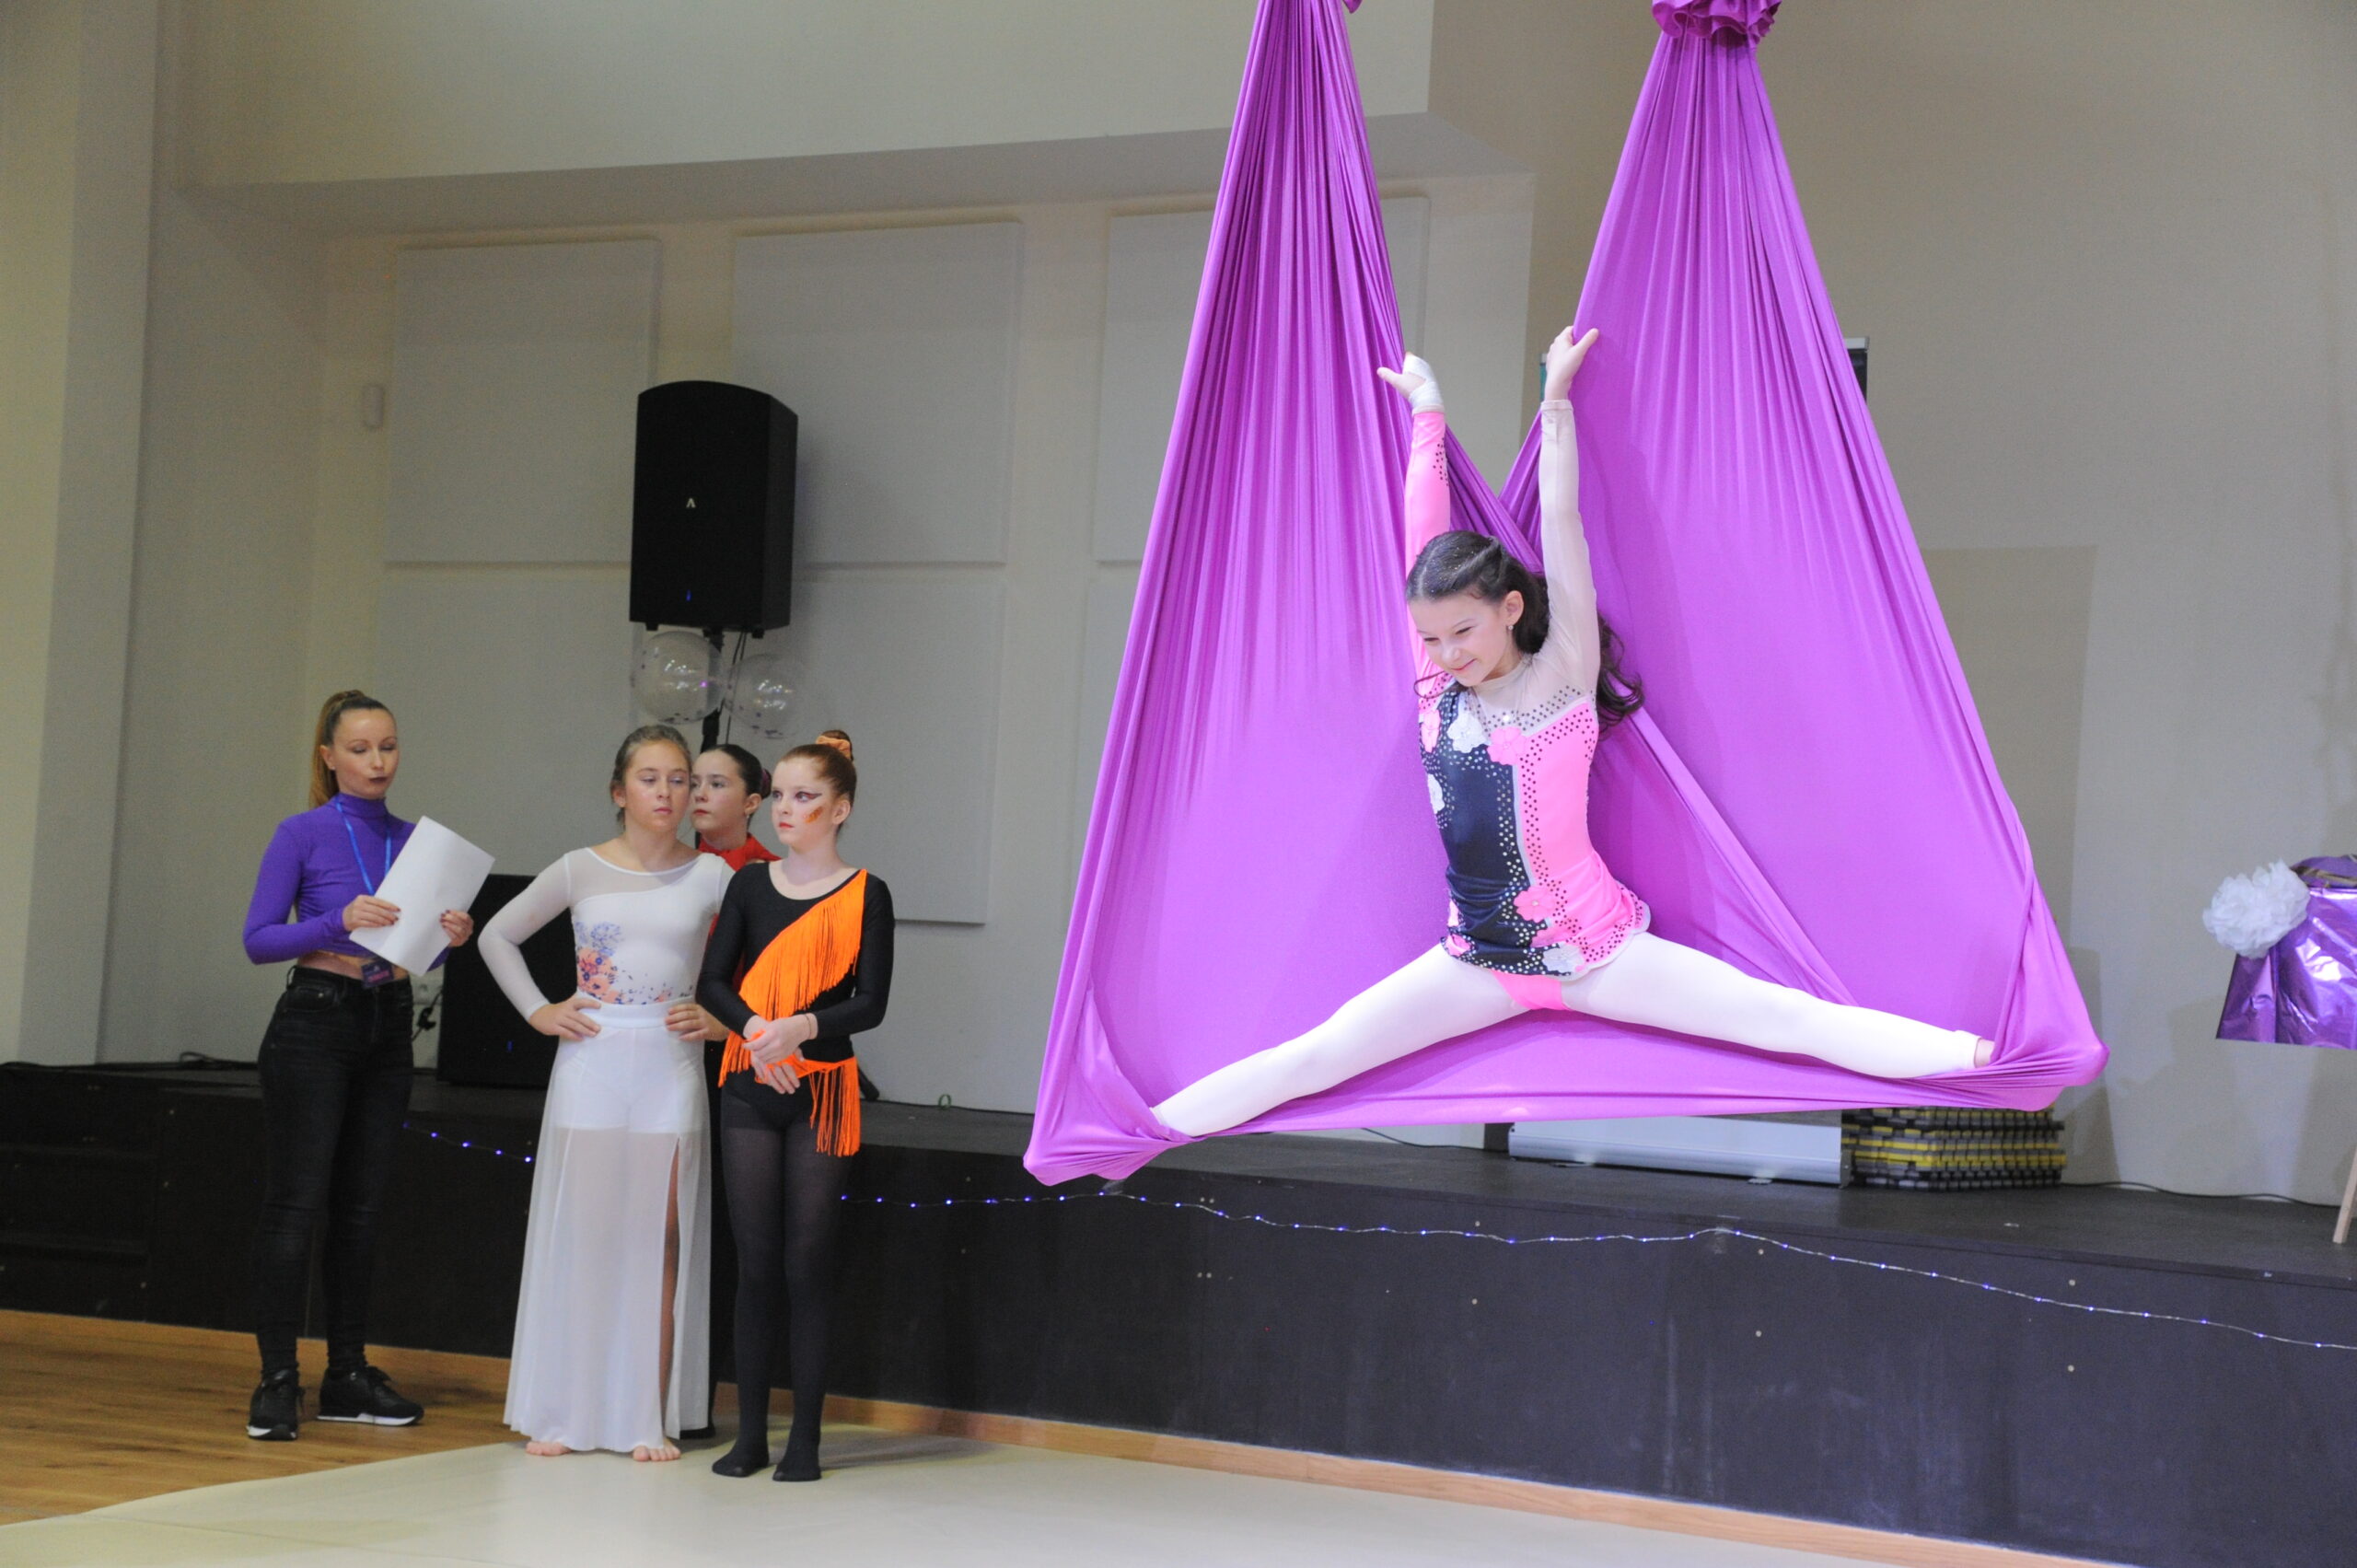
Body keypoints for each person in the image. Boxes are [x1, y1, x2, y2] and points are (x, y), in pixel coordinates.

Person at [1152, 330, 1994, 1140]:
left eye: (1464, 632)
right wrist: (1426, 417)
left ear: (1510, 608)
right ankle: (1133, 1130)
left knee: (1781, 1018)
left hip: (1600, 955)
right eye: (1432, 638)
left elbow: (1563, 525)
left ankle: (1977, 1059)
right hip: (1477, 963)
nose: (1447, 653)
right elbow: (1422, 534)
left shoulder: (1561, 672)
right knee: (1318, 1054)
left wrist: (1555, 403)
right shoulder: (1435, 684)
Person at [479, 725, 733, 1461]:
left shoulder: (714, 875)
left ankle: (643, 1416)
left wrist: (728, 1022)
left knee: (659, 1239)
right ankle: (565, 1411)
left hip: (670, 1061)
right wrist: (539, 1010)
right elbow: (497, 935)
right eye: (650, 778)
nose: (667, 791)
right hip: (591, 1057)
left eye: (680, 778)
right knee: (586, 1235)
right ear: (619, 791)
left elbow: (767, 955)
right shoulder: (578, 867)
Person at [239, 690, 475, 1442]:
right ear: (329, 755)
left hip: (387, 1020)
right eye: (362, 748)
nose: (378, 761)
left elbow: (417, 953)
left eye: (389, 746)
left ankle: (346, 1371)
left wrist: (450, 937)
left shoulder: (414, 839)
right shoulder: (301, 831)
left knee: (362, 1208)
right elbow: (258, 938)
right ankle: (279, 1376)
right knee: (295, 1203)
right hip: (316, 1018)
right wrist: (335, 919)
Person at [697, 730, 894, 1482]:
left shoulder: (866, 892)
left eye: (804, 796)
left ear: (840, 808)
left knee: (807, 1263)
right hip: (752, 1080)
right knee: (755, 1264)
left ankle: (804, 1439)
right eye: (778, 794)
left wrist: (798, 1029)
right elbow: (714, 982)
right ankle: (750, 1435)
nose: (785, 808)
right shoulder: (750, 885)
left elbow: (870, 1002)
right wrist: (758, 1033)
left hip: (822, 1088)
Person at [693, 744, 779, 872]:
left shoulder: (775, 875)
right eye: (694, 784)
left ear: (750, 804)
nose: (699, 794)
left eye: (716, 784)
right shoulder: (676, 864)